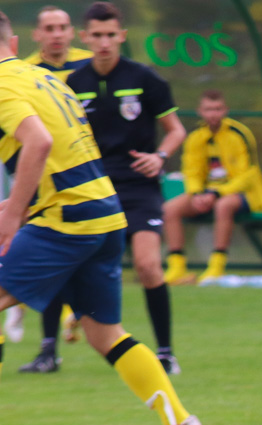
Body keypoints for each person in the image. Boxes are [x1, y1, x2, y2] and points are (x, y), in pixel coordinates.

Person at [0, 10, 203, 425]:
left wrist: (14, 214)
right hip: (104, 212)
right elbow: (63, 149)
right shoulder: (45, 79)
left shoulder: (4, 86)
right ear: (14, 43)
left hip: (68, 218)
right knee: (103, 333)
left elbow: (39, 142)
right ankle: (180, 423)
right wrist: (24, 203)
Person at [67, 2, 186, 374]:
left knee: (148, 266)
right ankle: (79, 324)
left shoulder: (145, 78)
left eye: (110, 35)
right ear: (84, 37)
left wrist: (160, 157)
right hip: (94, 189)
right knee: (77, 267)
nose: (104, 43)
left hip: (139, 187)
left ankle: (165, 351)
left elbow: (176, 130)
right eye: (96, 36)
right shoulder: (73, 84)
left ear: (122, 36)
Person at [13, 5, 92, 372]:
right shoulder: (28, 72)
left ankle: (65, 320)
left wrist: (14, 209)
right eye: (49, 27)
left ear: (72, 32)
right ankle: (51, 342)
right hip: (51, 188)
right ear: (34, 36)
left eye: (62, 26)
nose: (57, 33)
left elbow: (40, 141)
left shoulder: (89, 67)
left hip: (79, 185)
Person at [162, 89, 262, 285]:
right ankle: (177, 266)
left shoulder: (239, 134)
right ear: (199, 111)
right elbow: (192, 172)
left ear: (225, 110)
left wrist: (217, 192)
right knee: (170, 209)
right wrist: (196, 194)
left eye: (218, 109)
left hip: (242, 194)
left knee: (223, 206)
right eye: (208, 109)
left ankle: (217, 266)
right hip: (207, 194)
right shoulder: (195, 137)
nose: (213, 114)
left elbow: (247, 175)